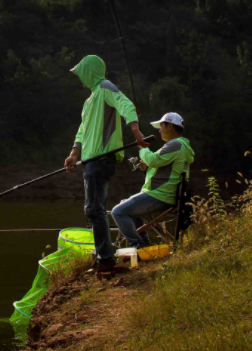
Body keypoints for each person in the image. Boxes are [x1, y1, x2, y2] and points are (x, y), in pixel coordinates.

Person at [64, 55, 149, 277]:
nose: (79, 78)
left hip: (102, 159)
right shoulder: (89, 100)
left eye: (81, 72)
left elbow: (126, 104)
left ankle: (106, 261)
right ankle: (104, 258)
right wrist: (74, 154)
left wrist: (137, 133)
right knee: (94, 210)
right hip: (90, 161)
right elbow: (82, 130)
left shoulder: (105, 87)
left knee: (94, 210)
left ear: (89, 71)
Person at [111, 112, 194, 249]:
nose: (159, 130)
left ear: (170, 126)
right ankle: (143, 242)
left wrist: (143, 147)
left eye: (161, 126)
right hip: (165, 194)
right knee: (124, 205)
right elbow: (160, 166)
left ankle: (137, 245)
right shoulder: (182, 146)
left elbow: (153, 160)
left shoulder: (175, 145)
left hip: (159, 195)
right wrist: (146, 168)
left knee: (118, 211)